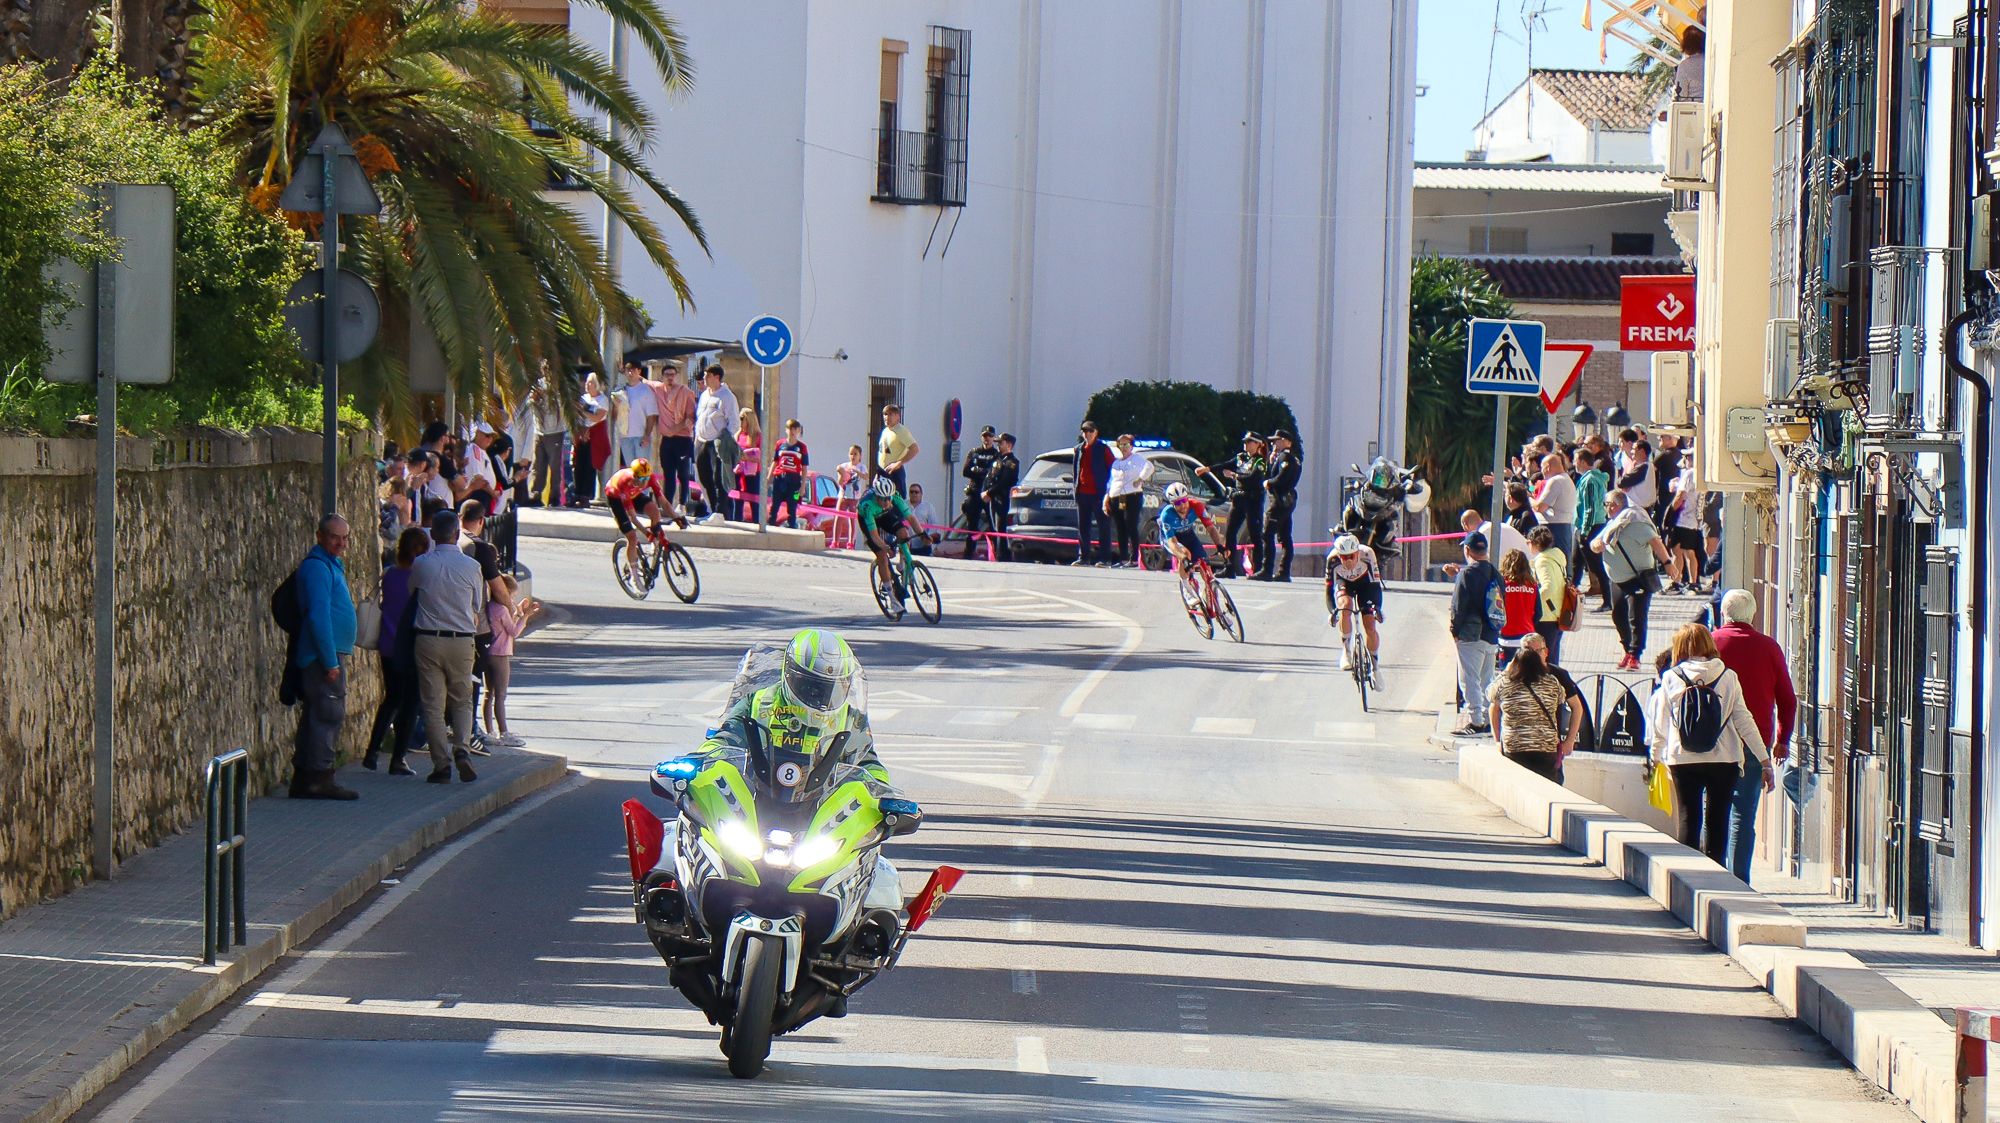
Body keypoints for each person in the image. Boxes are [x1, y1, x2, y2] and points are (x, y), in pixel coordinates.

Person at [1649, 622, 1774, 862]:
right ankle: (1715, 877)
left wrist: (1655, 758)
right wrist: (1764, 759)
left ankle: (1685, 877)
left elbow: (1660, 723)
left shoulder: (1671, 678)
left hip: (1682, 758)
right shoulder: (1728, 676)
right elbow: (1743, 720)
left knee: (1688, 818)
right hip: (1724, 759)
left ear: (1680, 647)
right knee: (1718, 821)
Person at [1713, 589, 1798, 882]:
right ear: (1752, 616)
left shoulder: (1710, 643)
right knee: (1743, 816)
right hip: (1754, 743)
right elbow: (1787, 699)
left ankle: (1709, 876)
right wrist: (1782, 740)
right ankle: (1739, 882)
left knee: (1711, 809)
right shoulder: (1769, 648)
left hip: (1712, 743)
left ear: (1724, 613)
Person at [409, 510, 483, 784]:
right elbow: (477, 606)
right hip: (462, 639)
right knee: (462, 700)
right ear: (456, 533)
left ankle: (441, 765)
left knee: (432, 705)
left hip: (428, 638)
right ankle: (462, 749)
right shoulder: (472, 567)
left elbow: (412, 592)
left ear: (433, 535)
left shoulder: (421, 564)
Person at [290, 515, 360, 800]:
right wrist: (330, 661)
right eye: (335, 537)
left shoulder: (329, 565)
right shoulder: (318, 568)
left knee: (319, 715)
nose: (341, 543)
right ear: (320, 536)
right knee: (327, 714)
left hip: (327, 653)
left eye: (345, 538)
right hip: (322, 656)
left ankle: (308, 777)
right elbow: (319, 616)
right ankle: (319, 777)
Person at [364, 527, 429, 776]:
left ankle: (372, 751)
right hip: (411, 646)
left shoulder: (389, 574)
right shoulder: (420, 580)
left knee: (391, 699)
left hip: (388, 645)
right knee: (411, 703)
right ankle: (398, 758)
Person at [1592, 488, 1672, 670]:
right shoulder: (1611, 526)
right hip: (1617, 579)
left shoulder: (1637, 524)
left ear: (1623, 506)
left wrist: (1668, 563)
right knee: (1618, 616)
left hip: (1638, 578)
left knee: (1636, 617)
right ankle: (1627, 649)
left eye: (1614, 505)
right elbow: (1595, 544)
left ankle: (1635, 654)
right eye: (1607, 505)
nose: (1610, 509)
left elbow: (1656, 542)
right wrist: (1596, 545)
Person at [1487, 642, 1569, 782]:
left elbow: (1490, 694)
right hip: (1546, 746)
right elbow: (1561, 698)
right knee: (1545, 787)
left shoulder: (1506, 682)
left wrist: (1506, 671)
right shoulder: (1552, 682)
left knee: (1517, 785)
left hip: (1515, 746)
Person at [1449, 532, 1501, 737]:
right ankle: (1491, 719)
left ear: (1468, 550)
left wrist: (1455, 630)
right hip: (1491, 634)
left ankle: (1476, 721)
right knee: (1488, 679)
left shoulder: (1467, 574)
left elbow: (1458, 606)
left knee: (1469, 679)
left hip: (1470, 635)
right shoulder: (1495, 573)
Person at [1197, 432, 1267, 578]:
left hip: (1252, 500)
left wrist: (1234, 476)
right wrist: (1207, 469)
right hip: (1239, 498)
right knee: (1230, 533)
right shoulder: (1241, 457)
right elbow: (1225, 465)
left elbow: (1253, 478)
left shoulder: (1260, 461)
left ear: (1257, 444)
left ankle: (1259, 568)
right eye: (1245, 442)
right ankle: (1229, 567)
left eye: (1249, 442)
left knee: (1255, 534)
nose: (1246, 444)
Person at [604, 459, 682, 580]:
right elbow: (633, 518)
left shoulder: (649, 477)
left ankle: (655, 544)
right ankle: (634, 576)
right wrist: (647, 533)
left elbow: (663, 502)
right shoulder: (625, 482)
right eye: (641, 479)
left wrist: (676, 517)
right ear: (634, 476)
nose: (644, 483)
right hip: (616, 497)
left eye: (646, 479)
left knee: (655, 511)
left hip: (634, 494)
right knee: (632, 536)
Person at [1518, 631, 1584, 766]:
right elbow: (1494, 706)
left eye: (1538, 651)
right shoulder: (1513, 674)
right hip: (1519, 745)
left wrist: (1570, 741)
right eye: (1529, 651)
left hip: (1549, 746)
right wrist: (1497, 740)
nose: (1534, 656)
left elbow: (1577, 707)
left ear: (1546, 652)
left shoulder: (1559, 675)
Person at [856, 475, 920, 610]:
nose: (886, 501)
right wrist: (885, 547)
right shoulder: (868, 505)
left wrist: (922, 534)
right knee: (882, 557)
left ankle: (902, 566)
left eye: (888, 498)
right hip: (869, 519)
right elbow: (874, 535)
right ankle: (892, 598)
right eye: (883, 499)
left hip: (885, 515)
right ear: (876, 497)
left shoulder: (894, 496)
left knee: (904, 534)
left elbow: (911, 518)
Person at [1325, 534, 1382, 674]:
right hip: (1345, 583)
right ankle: (1346, 651)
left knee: (1370, 626)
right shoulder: (1331, 560)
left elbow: (1376, 585)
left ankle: (1375, 667)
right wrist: (1333, 611)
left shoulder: (1368, 554)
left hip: (1366, 585)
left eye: (1352, 556)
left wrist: (1377, 608)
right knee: (1345, 606)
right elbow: (1328, 589)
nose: (1349, 560)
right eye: (1345, 557)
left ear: (1357, 552)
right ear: (1339, 555)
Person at [483, 573, 528, 748]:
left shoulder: (489, 607)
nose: (512, 598)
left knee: (489, 694)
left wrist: (517, 614)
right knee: (500, 695)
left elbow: (505, 627)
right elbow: (514, 632)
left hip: (488, 653)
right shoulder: (502, 609)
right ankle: (504, 732)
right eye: (511, 595)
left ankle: (489, 731)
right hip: (501, 654)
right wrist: (526, 616)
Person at [649, 361, 698, 507]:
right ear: (662, 376)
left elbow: (691, 417)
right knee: (668, 475)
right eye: (667, 374)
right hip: (667, 440)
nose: (670, 377)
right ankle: (667, 505)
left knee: (682, 474)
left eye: (672, 374)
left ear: (676, 375)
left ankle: (682, 504)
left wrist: (675, 428)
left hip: (682, 439)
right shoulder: (657, 389)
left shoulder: (686, 392)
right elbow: (643, 380)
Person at [694, 366, 739, 519]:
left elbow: (734, 421)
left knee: (718, 478)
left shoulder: (726, 396)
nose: (705, 378)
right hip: (702, 441)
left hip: (718, 443)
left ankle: (720, 512)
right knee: (704, 477)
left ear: (717, 377)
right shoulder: (705, 395)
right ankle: (713, 510)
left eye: (708, 375)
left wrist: (725, 439)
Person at [1257, 429, 1302, 581]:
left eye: (1278, 440)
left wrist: (1268, 482)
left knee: (1267, 533)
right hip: (1286, 501)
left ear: (1286, 441)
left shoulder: (1286, 457)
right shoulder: (1292, 458)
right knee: (1285, 536)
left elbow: (1280, 478)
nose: (1274, 443)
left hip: (1279, 500)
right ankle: (1283, 571)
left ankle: (1267, 569)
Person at [1103, 433, 1153, 567]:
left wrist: (1140, 478)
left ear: (1131, 446)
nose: (1123, 447)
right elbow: (1111, 481)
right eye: (1121, 444)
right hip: (1117, 496)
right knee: (1121, 527)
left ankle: (1134, 558)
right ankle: (1123, 558)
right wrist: (1106, 497)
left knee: (1131, 524)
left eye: (1126, 444)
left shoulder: (1137, 459)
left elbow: (1149, 467)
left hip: (1133, 495)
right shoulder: (1116, 463)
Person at [1572, 448, 1613, 610]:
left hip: (1590, 527)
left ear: (1582, 461)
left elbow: (1590, 508)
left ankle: (1608, 601)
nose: (1574, 463)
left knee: (1597, 566)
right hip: (1586, 526)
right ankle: (1571, 599)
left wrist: (1585, 531)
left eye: (1576, 460)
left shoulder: (1590, 480)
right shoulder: (1593, 478)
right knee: (1576, 564)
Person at [1071, 420, 1115, 566]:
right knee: (1083, 527)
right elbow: (1076, 471)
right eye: (1084, 431)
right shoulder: (1078, 450)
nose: (1087, 434)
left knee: (1103, 526)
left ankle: (1105, 558)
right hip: (1082, 493)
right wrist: (1075, 489)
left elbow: (1113, 470)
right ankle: (1084, 557)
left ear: (1096, 432)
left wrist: (1109, 492)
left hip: (1099, 493)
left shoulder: (1103, 449)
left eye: (1090, 431)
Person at [1156, 481, 1225, 572]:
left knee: (1204, 563)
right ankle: (1185, 584)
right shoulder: (1167, 515)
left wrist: (1219, 546)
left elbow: (1211, 528)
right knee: (1185, 554)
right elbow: (1172, 542)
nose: (1183, 505)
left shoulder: (1197, 506)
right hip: (1170, 538)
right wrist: (1183, 558)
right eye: (1178, 503)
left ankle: (1209, 584)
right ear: (1172, 504)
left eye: (1184, 500)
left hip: (1187, 534)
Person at [1526, 525, 1568, 664]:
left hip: (1546, 615)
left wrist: (1533, 599)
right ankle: (1555, 684)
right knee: (1552, 657)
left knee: (1544, 660)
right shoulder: (1556, 556)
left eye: (1528, 542)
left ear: (1535, 543)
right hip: (1557, 612)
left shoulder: (1542, 561)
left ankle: (1549, 685)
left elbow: (1548, 587)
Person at [570, 373, 612, 506]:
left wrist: (582, 411)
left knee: (590, 465)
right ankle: (577, 493)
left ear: (597, 385)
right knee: (578, 464)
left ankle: (586, 495)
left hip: (595, 436)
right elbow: (575, 415)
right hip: (582, 434)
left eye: (590, 383)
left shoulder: (603, 400)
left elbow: (597, 417)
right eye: (587, 382)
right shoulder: (583, 398)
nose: (587, 385)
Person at [1665, 462, 1706, 594]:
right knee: (1688, 552)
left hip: (1682, 518)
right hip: (1693, 520)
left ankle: (1678, 581)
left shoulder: (1689, 473)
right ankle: (1692, 582)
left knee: (1677, 551)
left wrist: (1670, 512)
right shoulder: (1702, 474)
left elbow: (1681, 495)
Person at [1494, 548, 1539, 669]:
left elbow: (1495, 610)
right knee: (1525, 673)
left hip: (1506, 637)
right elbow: (1539, 613)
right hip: (1527, 636)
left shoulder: (1502, 585)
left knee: (1507, 675)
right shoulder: (1533, 586)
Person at [1530, 452, 1578, 557]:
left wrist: (1529, 499)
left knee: (1552, 562)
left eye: (1542, 467)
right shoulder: (1567, 479)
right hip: (1564, 527)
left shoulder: (1555, 481)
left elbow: (1540, 507)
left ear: (1547, 467)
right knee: (1562, 562)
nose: (1541, 471)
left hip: (1554, 529)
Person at [961, 426, 1000, 551]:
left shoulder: (996, 454)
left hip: (989, 493)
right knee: (972, 526)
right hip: (974, 491)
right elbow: (966, 471)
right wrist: (984, 471)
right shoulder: (974, 452)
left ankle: (996, 554)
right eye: (984, 436)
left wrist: (978, 470)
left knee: (993, 525)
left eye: (989, 436)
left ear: (994, 438)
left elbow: (995, 474)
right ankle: (969, 554)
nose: (987, 438)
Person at [984, 433, 1021, 562]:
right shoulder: (998, 460)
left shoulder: (1012, 463)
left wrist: (989, 493)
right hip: (994, 499)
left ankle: (1002, 557)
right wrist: (986, 492)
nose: (998, 445)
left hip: (1003, 499)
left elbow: (1004, 482)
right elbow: (989, 478)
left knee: (1001, 528)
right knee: (995, 527)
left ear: (1009, 445)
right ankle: (997, 554)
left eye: (1001, 443)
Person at [530, 378, 566, 507]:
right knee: (538, 465)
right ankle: (536, 494)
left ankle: (554, 497)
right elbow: (531, 402)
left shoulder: (560, 383)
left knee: (554, 466)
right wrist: (535, 398)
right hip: (539, 431)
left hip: (555, 431)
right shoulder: (538, 383)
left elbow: (563, 405)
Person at [617, 361, 659, 469]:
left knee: (642, 471)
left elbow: (651, 415)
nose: (630, 373)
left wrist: (647, 435)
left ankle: (644, 487)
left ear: (639, 371)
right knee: (630, 471)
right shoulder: (620, 390)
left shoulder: (646, 390)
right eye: (628, 370)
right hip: (625, 436)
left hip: (640, 436)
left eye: (634, 370)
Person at [770, 419, 809, 529]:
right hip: (780, 478)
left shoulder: (802, 447)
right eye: (790, 428)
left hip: (794, 480)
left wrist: (802, 486)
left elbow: (804, 467)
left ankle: (791, 526)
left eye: (795, 429)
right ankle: (771, 523)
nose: (793, 431)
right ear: (786, 429)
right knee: (775, 504)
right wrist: (769, 477)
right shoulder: (780, 444)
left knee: (792, 505)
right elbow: (775, 461)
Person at [876, 403, 919, 497]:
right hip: (882, 472)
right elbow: (883, 452)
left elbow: (914, 449)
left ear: (897, 416)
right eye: (885, 414)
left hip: (894, 473)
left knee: (896, 502)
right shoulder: (885, 431)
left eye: (890, 414)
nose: (887, 417)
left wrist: (898, 463)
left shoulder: (901, 431)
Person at [832, 444, 869, 549]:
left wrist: (856, 471)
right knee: (838, 518)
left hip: (854, 498)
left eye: (855, 454)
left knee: (852, 520)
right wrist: (843, 474)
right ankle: (835, 541)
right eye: (851, 453)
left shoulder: (862, 467)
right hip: (843, 496)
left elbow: (866, 477)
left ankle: (850, 542)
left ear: (860, 456)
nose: (853, 456)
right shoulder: (844, 466)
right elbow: (840, 482)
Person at [735, 406, 763, 521]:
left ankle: (757, 523)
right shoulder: (738, 435)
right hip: (739, 471)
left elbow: (762, 458)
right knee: (738, 499)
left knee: (754, 501)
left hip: (753, 473)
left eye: (742, 418)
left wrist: (747, 458)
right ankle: (737, 521)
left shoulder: (757, 436)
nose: (740, 421)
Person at [906, 483, 944, 555]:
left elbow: (933, 524)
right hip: (907, 545)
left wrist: (928, 538)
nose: (914, 494)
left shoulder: (928, 507)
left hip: (923, 546)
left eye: (916, 492)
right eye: (911, 492)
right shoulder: (904, 505)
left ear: (921, 494)